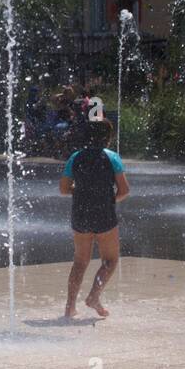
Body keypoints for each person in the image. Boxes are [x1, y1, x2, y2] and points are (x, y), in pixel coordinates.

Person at [60, 116, 129, 319]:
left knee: (80, 261)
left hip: (80, 212)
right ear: (107, 138)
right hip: (104, 213)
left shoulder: (75, 157)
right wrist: (107, 199)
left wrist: (82, 193)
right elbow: (124, 190)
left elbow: (64, 188)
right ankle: (93, 297)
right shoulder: (112, 157)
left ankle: (70, 307)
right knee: (110, 260)